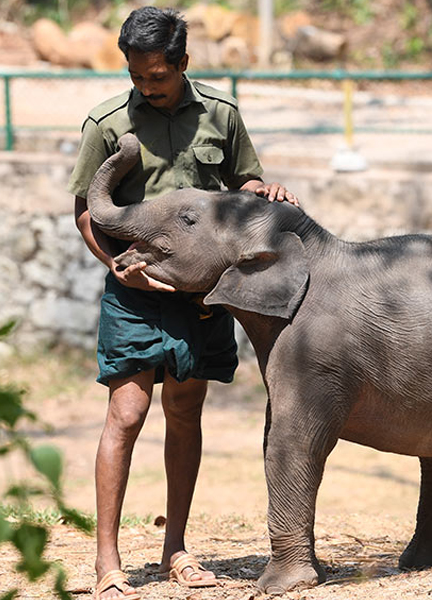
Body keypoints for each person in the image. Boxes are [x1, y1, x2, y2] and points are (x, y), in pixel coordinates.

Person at [67, 6, 299, 600]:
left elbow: (244, 184)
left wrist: (262, 191)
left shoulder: (221, 115)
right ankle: (106, 562)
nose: (147, 85)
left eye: (158, 76)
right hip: (135, 290)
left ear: (183, 64)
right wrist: (122, 272)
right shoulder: (106, 124)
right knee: (125, 415)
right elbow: (87, 214)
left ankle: (177, 550)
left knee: (184, 415)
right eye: (138, 76)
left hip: (201, 295)